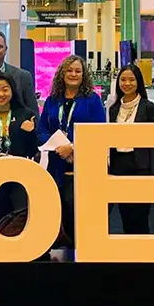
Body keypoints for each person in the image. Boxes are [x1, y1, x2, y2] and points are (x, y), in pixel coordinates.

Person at [37, 55, 107, 247]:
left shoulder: (92, 100)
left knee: (79, 212)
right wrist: (57, 146)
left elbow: (99, 130)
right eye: (69, 70)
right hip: (56, 165)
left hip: (83, 164)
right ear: (62, 73)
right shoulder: (52, 100)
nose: (73, 74)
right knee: (58, 211)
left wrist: (72, 147)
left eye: (78, 71)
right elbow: (41, 130)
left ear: (83, 75)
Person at [0, 72, 38, 223]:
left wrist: (29, 133)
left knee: (19, 218)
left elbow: (32, 151)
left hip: (19, 176)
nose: (1, 94)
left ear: (12, 91)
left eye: (5, 89)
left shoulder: (26, 114)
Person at [108, 64, 154, 235]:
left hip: (141, 167)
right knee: (125, 215)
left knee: (140, 216)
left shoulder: (150, 108)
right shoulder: (114, 108)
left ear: (139, 82)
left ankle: (143, 258)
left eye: (131, 79)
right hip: (119, 166)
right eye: (123, 79)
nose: (127, 83)